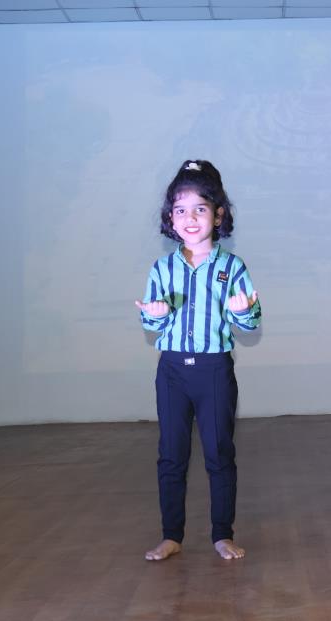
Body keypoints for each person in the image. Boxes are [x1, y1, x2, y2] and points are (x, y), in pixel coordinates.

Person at [135, 160, 261, 561]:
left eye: (200, 209)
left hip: (213, 371)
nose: (189, 218)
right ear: (170, 218)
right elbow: (150, 321)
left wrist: (243, 310)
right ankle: (171, 535)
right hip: (172, 372)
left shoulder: (232, 267)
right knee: (171, 455)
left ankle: (222, 534)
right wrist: (154, 315)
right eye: (180, 209)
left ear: (218, 215)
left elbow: (250, 322)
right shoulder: (162, 268)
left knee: (219, 453)